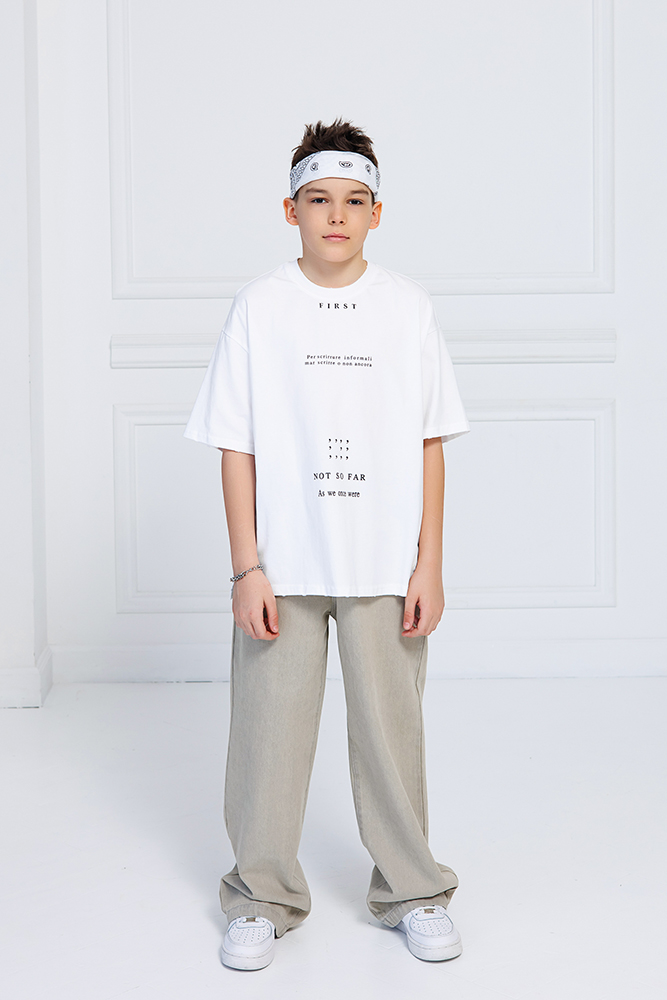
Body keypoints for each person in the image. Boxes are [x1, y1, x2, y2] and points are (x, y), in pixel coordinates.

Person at [184, 119, 469, 971]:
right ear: (290, 211)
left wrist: (428, 563)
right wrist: (246, 566)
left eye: (352, 200)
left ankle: (413, 890)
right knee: (267, 736)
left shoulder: (407, 308)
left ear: (376, 213)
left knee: (390, 733)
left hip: (383, 561)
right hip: (283, 563)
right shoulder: (259, 307)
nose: (335, 216)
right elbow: (236, 444)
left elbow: (429, 441)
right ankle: (260, 897)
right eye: (317, 200)